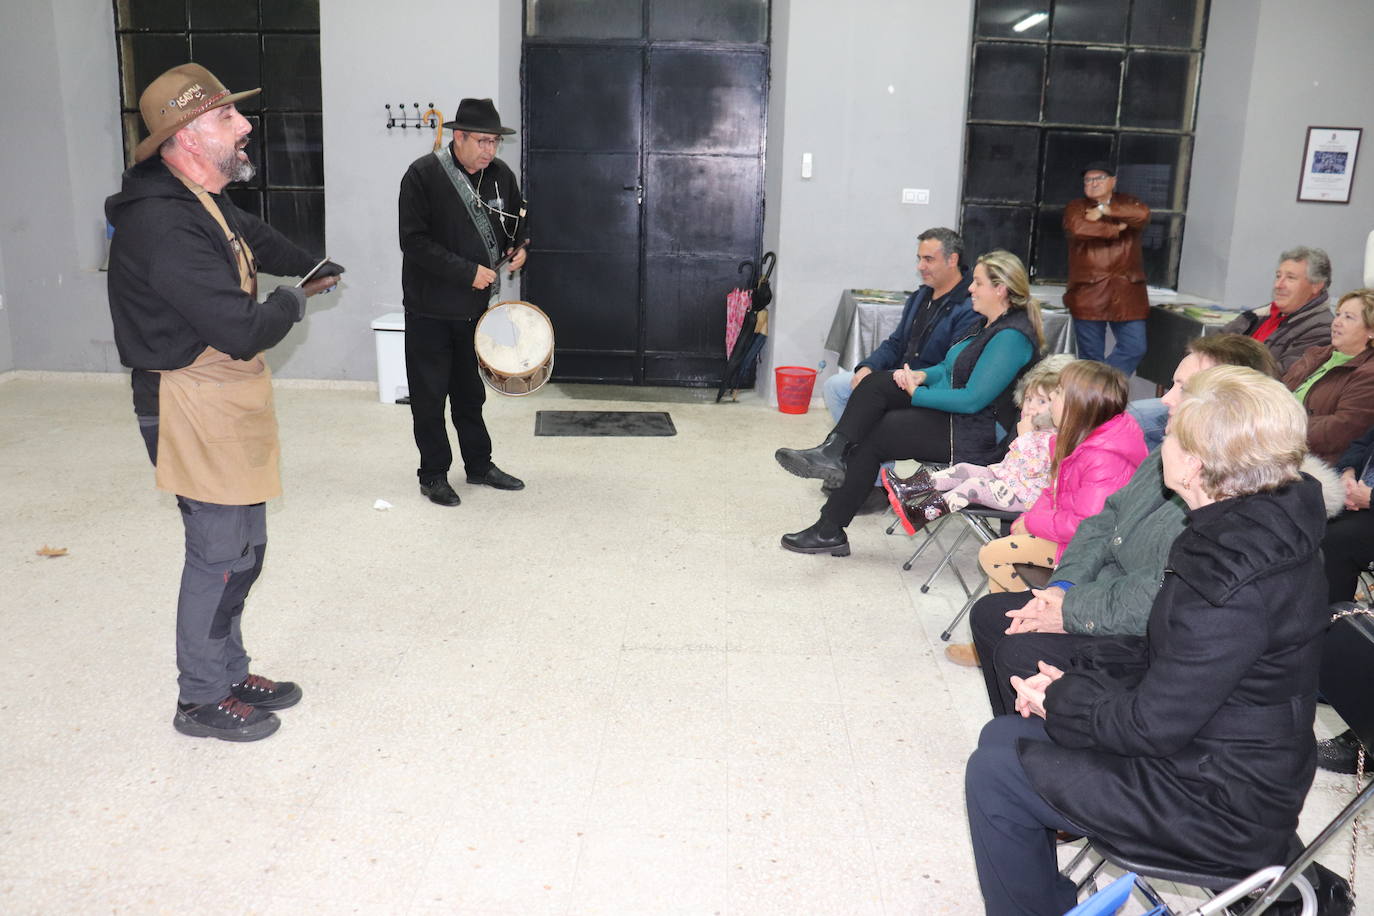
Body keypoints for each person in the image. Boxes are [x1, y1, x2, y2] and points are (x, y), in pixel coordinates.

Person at [965, 365, 1328, 916]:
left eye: (1174, 435)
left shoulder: (1225, 574)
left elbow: (1151, 724)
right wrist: (1075, 682)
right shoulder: (1254, 527)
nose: (1162, 439)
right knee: (1002, 737)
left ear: (1197, 465)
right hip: (1213, 753)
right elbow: (1177, 664)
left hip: (1217, 803)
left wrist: (1064, 698)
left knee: (996, 771)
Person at [106, 64, 341, 741]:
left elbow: (256, 240)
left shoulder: (202, 197)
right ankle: (200, 698)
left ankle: (229, 668)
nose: (243, 127)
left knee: (247, 545)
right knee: (218, 551)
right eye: (225, 119)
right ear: (184, 138)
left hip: (220, 394)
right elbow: (240, 330)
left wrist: (311, 265)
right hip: (184, 399)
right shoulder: (162, 225)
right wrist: (294, 298)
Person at [947, 335, 1282, 674]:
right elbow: (1102, 523)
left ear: (1228, 406)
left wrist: (1069, 610)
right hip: (1100, 591)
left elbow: (1157, 593)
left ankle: (1038, 718)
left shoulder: (1230, 497)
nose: (1165, 399)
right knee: (990, 616)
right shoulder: (1164, 455)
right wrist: (1062, 588)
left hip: (1142, 629)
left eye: (1183, 388)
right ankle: (1022, 719)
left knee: (1017, 646)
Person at [775, 250, 1043, 557]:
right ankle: (833, 453)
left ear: (1001, 289)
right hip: (961, 419)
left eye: (978, 283)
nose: (970, 288)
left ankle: (829, 524)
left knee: (880, 433)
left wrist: (919, 395)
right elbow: (946, 368)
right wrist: (917, 376)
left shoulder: (1012, 336)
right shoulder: (987, 324)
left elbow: (972, 400)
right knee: (877, 382)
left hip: (978, 434)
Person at [399, 97, 529, 507]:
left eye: (494, 142)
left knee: (471, 393)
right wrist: (466, 271)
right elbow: (413, 242)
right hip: (430, 308)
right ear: (458, 137)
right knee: (430, 396)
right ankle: (433, 473)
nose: (489, 150)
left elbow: (518, 226)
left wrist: (521, 249)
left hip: (475, 311)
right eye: (482, 141)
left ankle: (479, 465)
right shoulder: (422, 175)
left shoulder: (500, 176)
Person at [975, 362, 1145, 593]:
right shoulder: (1073, 437)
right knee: (1002, 559)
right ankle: (1009, 619)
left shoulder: (1103, 457)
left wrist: (1033, 523)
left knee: (992, 555)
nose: (1052, 398)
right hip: (1065, 535)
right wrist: (1027, 521)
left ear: (1078, 405)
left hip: (1086, 549)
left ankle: (1036, 611)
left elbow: (1087, 525)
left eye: (1058, 392)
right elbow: (1051, 492)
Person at [881, 355, 1073, 535]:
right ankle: (909, 488)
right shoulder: (1033, 427)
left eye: (1041, 401)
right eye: (1029, 399)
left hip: (1027, 496)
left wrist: (1024, 438)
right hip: (1007, 480)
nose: (1031, 405)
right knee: (964, 469)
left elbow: (1032, 471)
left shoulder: (1054, 438)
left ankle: (922, 514)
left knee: (974, 486)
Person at [822, 227, 979, 421]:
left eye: (928, 259)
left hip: (927, 384)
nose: (920, 266)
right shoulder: (920, 296)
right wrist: (868, 367)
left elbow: (953, 366)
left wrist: (913, 376)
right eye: (919, 258)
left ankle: (860, 445)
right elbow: (895, 343)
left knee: (868, 394)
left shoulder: (969, 307)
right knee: (835, 386)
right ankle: (851, 447)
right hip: (897, 375)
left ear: (952, 260)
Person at [1062, 161, 1150, 375]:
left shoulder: (1129, 202)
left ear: (1113, 181)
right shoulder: (1076, 207)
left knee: (1135, 347)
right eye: (1088, 180)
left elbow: (1142, 216)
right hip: (1089, 292)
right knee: (1090, 358)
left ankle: (1104, 386)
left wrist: (1104, 210)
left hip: (1128, 291)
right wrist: (1116, 228)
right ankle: (1097, 400)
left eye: (1098, 178)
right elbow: (1080, 227)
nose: (1093, 183)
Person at [1281, 288, 1374, 464]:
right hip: (1279, 446)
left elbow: (1341, 429)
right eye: (1338, 314)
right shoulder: (1316, 354)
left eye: (1348, 317)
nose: (1336, 322)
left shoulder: (1370, 373)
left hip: (1314, 460)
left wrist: (1281, 429)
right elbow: (1278, 393)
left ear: (1372, 331)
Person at [1221, 246, 1334, 373]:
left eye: (1290, 278)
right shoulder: (1257, 315)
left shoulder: (1323, 330)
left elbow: (1280, 376)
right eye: (1278, 276)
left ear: (1316, 285)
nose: (1278, 285)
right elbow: (1212, 344)